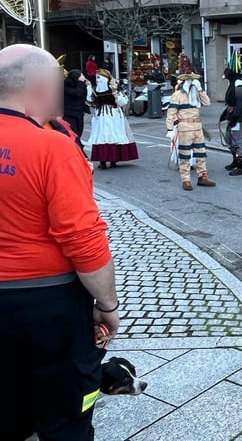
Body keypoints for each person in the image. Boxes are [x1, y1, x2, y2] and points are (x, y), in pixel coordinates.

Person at [0, 44, 119, 440]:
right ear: (40, 89)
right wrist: (107, 305)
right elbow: (83, 238)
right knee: (66, 414)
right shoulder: (52, 147)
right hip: (46, 304)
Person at [165, 54, 216, 191]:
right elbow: (171, 112)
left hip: (197, 127)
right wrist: (169, 129)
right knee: (185, 155)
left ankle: (202, 176)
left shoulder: (197, 94)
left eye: (193, 80)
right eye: (189, 80)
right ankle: (186, 180)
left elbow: (207, 103)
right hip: (185, 127)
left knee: (201, 153)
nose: (192, 82)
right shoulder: (178, 95)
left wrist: (200, 89)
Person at [87, 69, 139, 169]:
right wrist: (89, 89)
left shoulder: (114, 88)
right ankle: (102, 161)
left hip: (113, 115)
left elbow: (123, 102)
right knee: (101, 136)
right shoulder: (95, 89)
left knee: (113, 135)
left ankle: (113, 160)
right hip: (101, 116)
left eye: (99, 77)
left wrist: (116, 95)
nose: (97, 80)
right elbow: (91, 101)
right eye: (96, 78)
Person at [221, 56, 242, 176]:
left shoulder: (239, 84)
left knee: (237, 141)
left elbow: (240, 103)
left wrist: (235, 118)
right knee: (229, 140)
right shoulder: (233, 83)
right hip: (232, 116)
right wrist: (225, 115)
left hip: (238, 117)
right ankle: (235, 161)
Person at [63, 69, 91, 146]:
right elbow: (77, 93)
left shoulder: (80, 86)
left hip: (79, 114)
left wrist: (86, 86)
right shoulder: (65, 86)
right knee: (72, 133)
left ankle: (77, 146)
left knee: (79, 132)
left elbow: (84, 97)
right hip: (69, 114)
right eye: (80, 77)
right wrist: (80, 83)